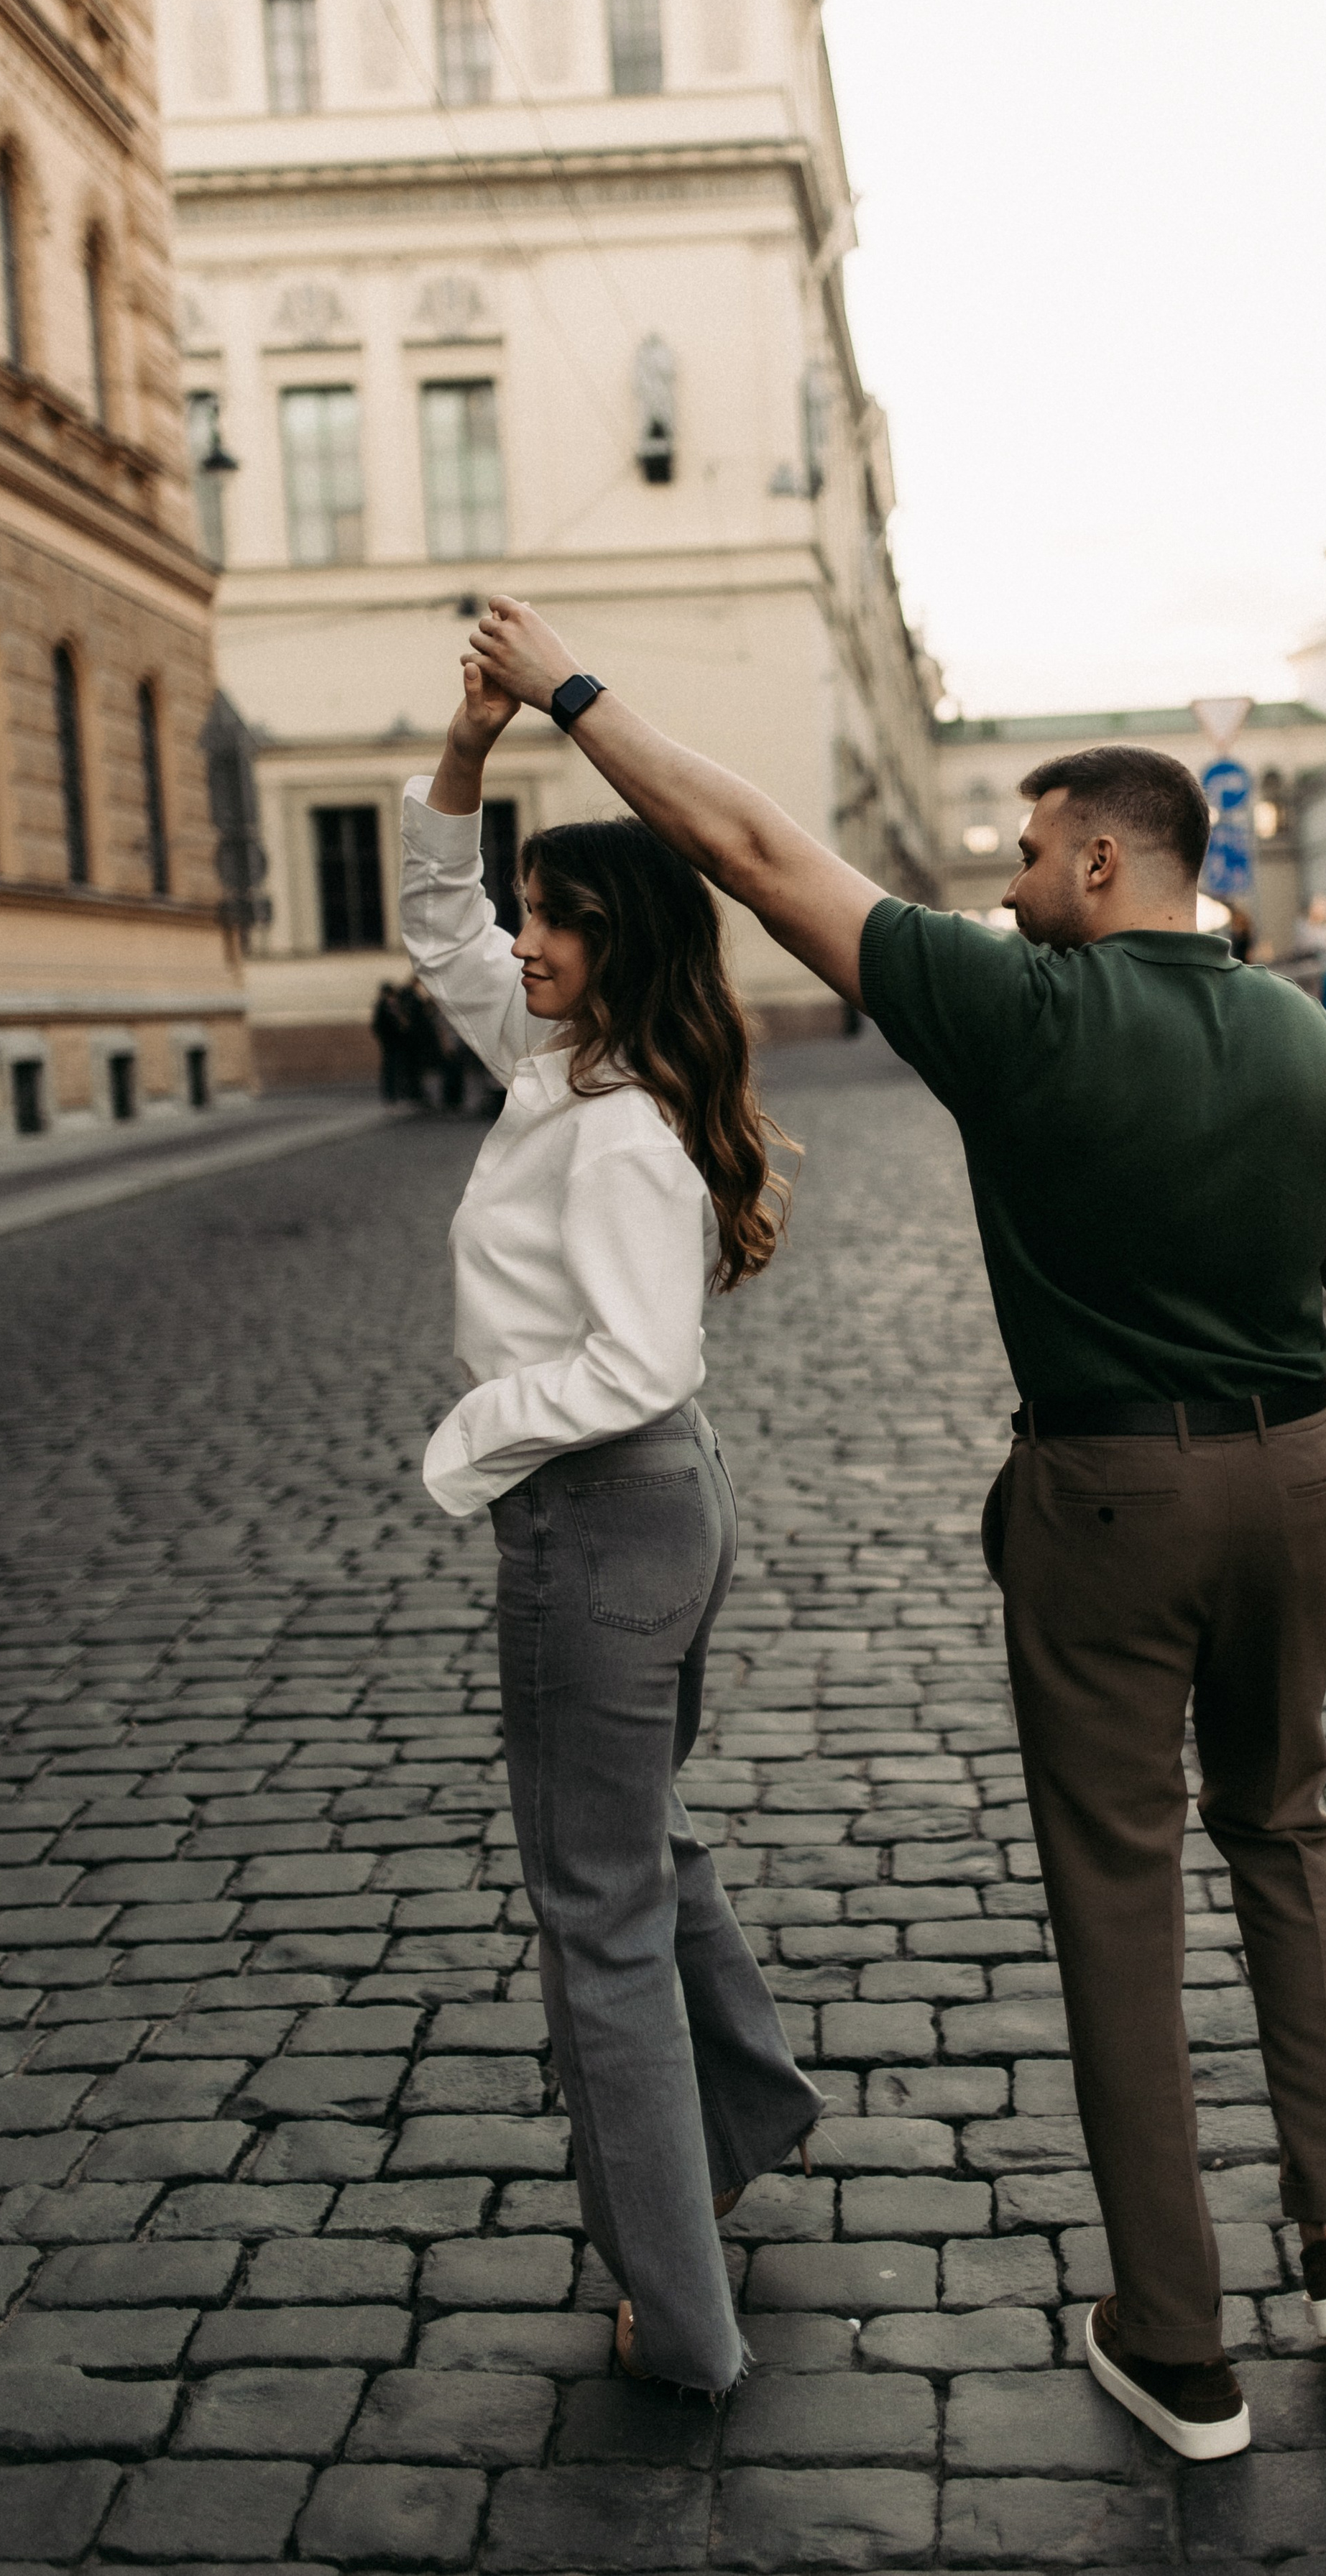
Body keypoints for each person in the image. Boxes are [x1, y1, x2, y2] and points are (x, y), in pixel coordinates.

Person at [466, 596, 1326, 2465]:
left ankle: (1179, 2343)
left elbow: (751, 850)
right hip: (1297, 1470)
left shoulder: (1020, 1006)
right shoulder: (1320, 1042)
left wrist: (569, 688)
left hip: (1107, 1490)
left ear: (1100, 859)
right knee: (1287, 1827)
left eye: (1028, 854)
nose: (1006, 883)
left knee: (1121, 1887)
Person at [397, 661, 825, 2399]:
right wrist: (468, 743)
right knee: (634, 1847)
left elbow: (640, 1358)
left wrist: (470, 1438)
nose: (525, 940)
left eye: (558, 919)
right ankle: (746, 2110)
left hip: (601, 1517)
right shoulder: (557, 1062)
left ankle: (682, 2317)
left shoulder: (623, 1127)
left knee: (596, 1913)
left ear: (619, 940)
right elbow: (438, 925)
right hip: (641, 1513)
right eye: (529, 910)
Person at [371, 981, 413, 1102]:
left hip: (395, 1042)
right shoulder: (383, 1007)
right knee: (390, 1067)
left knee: (395, 1067)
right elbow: (379, 1026)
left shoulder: (391, 1006)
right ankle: (391, 1094)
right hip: (390, 1042)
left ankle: (396, 1092)